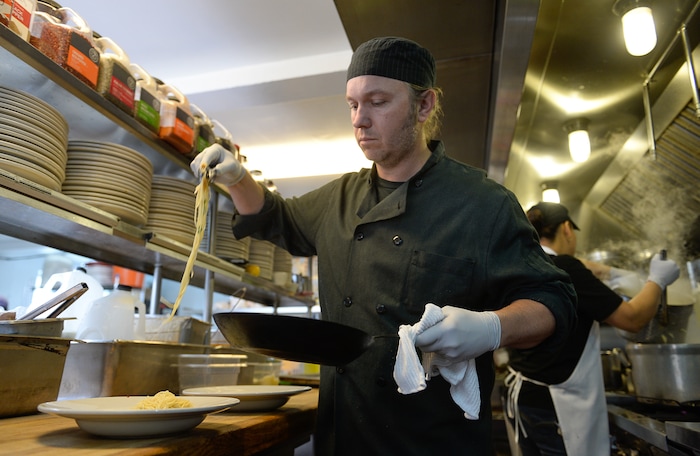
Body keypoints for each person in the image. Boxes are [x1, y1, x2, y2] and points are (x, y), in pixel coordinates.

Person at [192, 36, 577, 455]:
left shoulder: (482, 204)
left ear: (424, 106)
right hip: (342, 437)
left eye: (377, 102)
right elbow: (275, 217)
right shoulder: (338, 199)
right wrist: (237, 179)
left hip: (433, 441)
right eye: (353, 105)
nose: (360, 120)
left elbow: (554, 301)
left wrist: (492, 328)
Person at [505, 202, 680, 456]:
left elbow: (583, 267)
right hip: (557, 407)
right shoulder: (566, 268)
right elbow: (633, 319)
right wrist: (657, 280)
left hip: (525, 400)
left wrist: (611, 272)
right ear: (567, 228)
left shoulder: (523, 264)